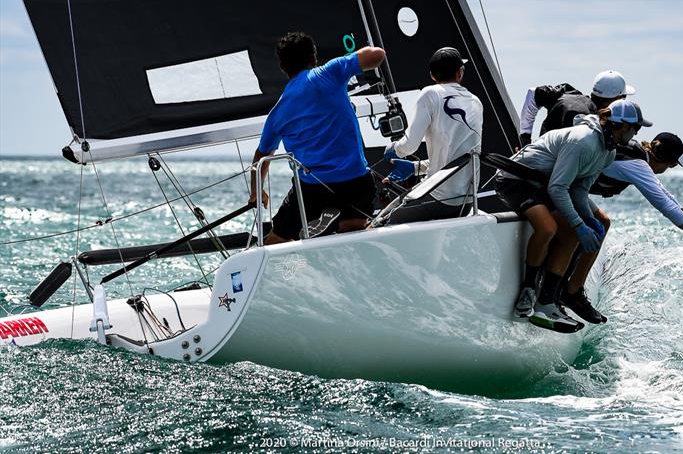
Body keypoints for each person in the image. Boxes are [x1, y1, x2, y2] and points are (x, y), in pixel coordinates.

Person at [496, 99, 651, 332]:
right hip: (515, 179)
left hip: (540, 184)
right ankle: (528, 291)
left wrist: (589, 221)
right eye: (635, 128)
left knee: (572, 235)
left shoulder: (607, 151)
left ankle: (547, 303)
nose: (636, 133)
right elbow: (558, 188)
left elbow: (579, 190)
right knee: (549, 228)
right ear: (621, 125)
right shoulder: (583, 141)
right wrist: (580, 224)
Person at [558, 132, 683, 324]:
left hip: (568, 183)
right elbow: (665, 204)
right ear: (670, 164)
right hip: (561, 184)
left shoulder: (636, 153)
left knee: (603, 222)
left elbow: (668, 197)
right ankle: (570, 291)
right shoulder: (637, 165)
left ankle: (571, 284)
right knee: (598, 225)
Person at [249, 32, 385, 244]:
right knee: (353, 231)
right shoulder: (330, 72)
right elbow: (377, 55)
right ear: (313, 58)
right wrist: (354, 56)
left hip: (312, 189)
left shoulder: (278, 112)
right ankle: (347, 227)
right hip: (355, 181)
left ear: (283, 67)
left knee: (277, 240)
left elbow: (261, 156)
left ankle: (294, 263)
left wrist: (256, 192)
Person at [381, 47, 483, 223]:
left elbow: (409, 146)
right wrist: (415, 168)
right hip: (467, 202)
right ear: (460, 72)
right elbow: (457, 155)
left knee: (383, 221)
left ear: (433, 76)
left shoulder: (431, 93)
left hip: (439, 199)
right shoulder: (476, 101)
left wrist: (393, 149)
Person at [518, 70, 635, 145]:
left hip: (539, 155)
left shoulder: (567, 93)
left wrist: (525, 138)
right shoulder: (594, 124)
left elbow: (533, 93)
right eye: (623, 98)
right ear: (615, 99)